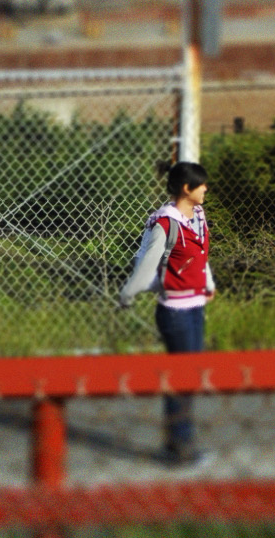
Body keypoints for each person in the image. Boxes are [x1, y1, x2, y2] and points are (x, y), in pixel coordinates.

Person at [119, 160, 215, 467]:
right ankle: (178, 444)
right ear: (187, 189)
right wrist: (129, 292)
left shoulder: (197, 216)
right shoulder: (166, 223)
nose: (205, 189)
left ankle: (180, 438)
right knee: (182, 377)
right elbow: (148, 262)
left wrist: (208, 284)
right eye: (201, 184)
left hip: (195, 307)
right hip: (175, 313)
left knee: (190, 376)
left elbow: (200, 256)